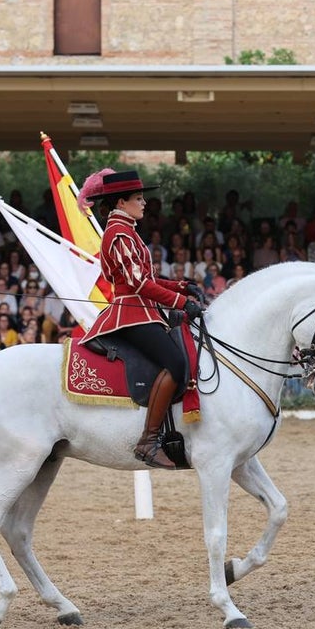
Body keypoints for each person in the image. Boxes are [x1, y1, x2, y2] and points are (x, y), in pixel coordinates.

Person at [77, 169, 202, 471]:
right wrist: (180, 302)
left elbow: (147, 279)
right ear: (121, 202)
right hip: (131, 314)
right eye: (138, 198)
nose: (144, 203)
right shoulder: (118, 234)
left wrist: (180, 285)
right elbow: (138, 285)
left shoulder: (127, 231)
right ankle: (148, 441)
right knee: (176, 363)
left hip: (143, 310)